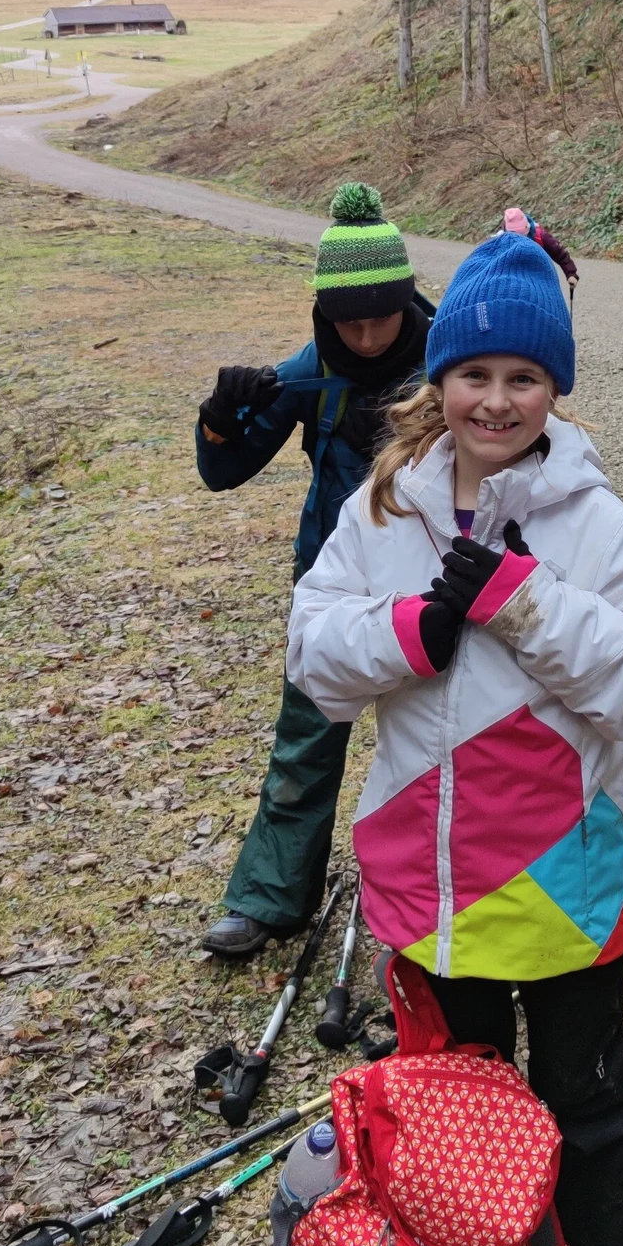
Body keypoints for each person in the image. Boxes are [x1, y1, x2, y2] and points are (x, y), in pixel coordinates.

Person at [287, 213, 623, 1246]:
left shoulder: (601, 529)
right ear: (440, 376)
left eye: (526, 376)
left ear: (555, 389)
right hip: (426, 877)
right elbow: (312, 653)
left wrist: (527, 604)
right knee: (449, 1090)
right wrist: (415, 628)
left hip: (560, 875)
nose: (498, 400)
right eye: (474, 373)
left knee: (589, 1087)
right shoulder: (385, 508)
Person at [195, 182, 433, 957]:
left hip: (437, 581)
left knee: (445, 737)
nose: (365, 337)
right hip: (331, 583)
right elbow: (222, 471)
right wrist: (219, 416)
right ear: (324, 315)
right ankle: (269, 896)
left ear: (407, 301)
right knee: (306, 737)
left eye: (380, 317)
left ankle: (449, 899)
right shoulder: (307, 368)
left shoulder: (453, 358)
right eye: (346, 321)